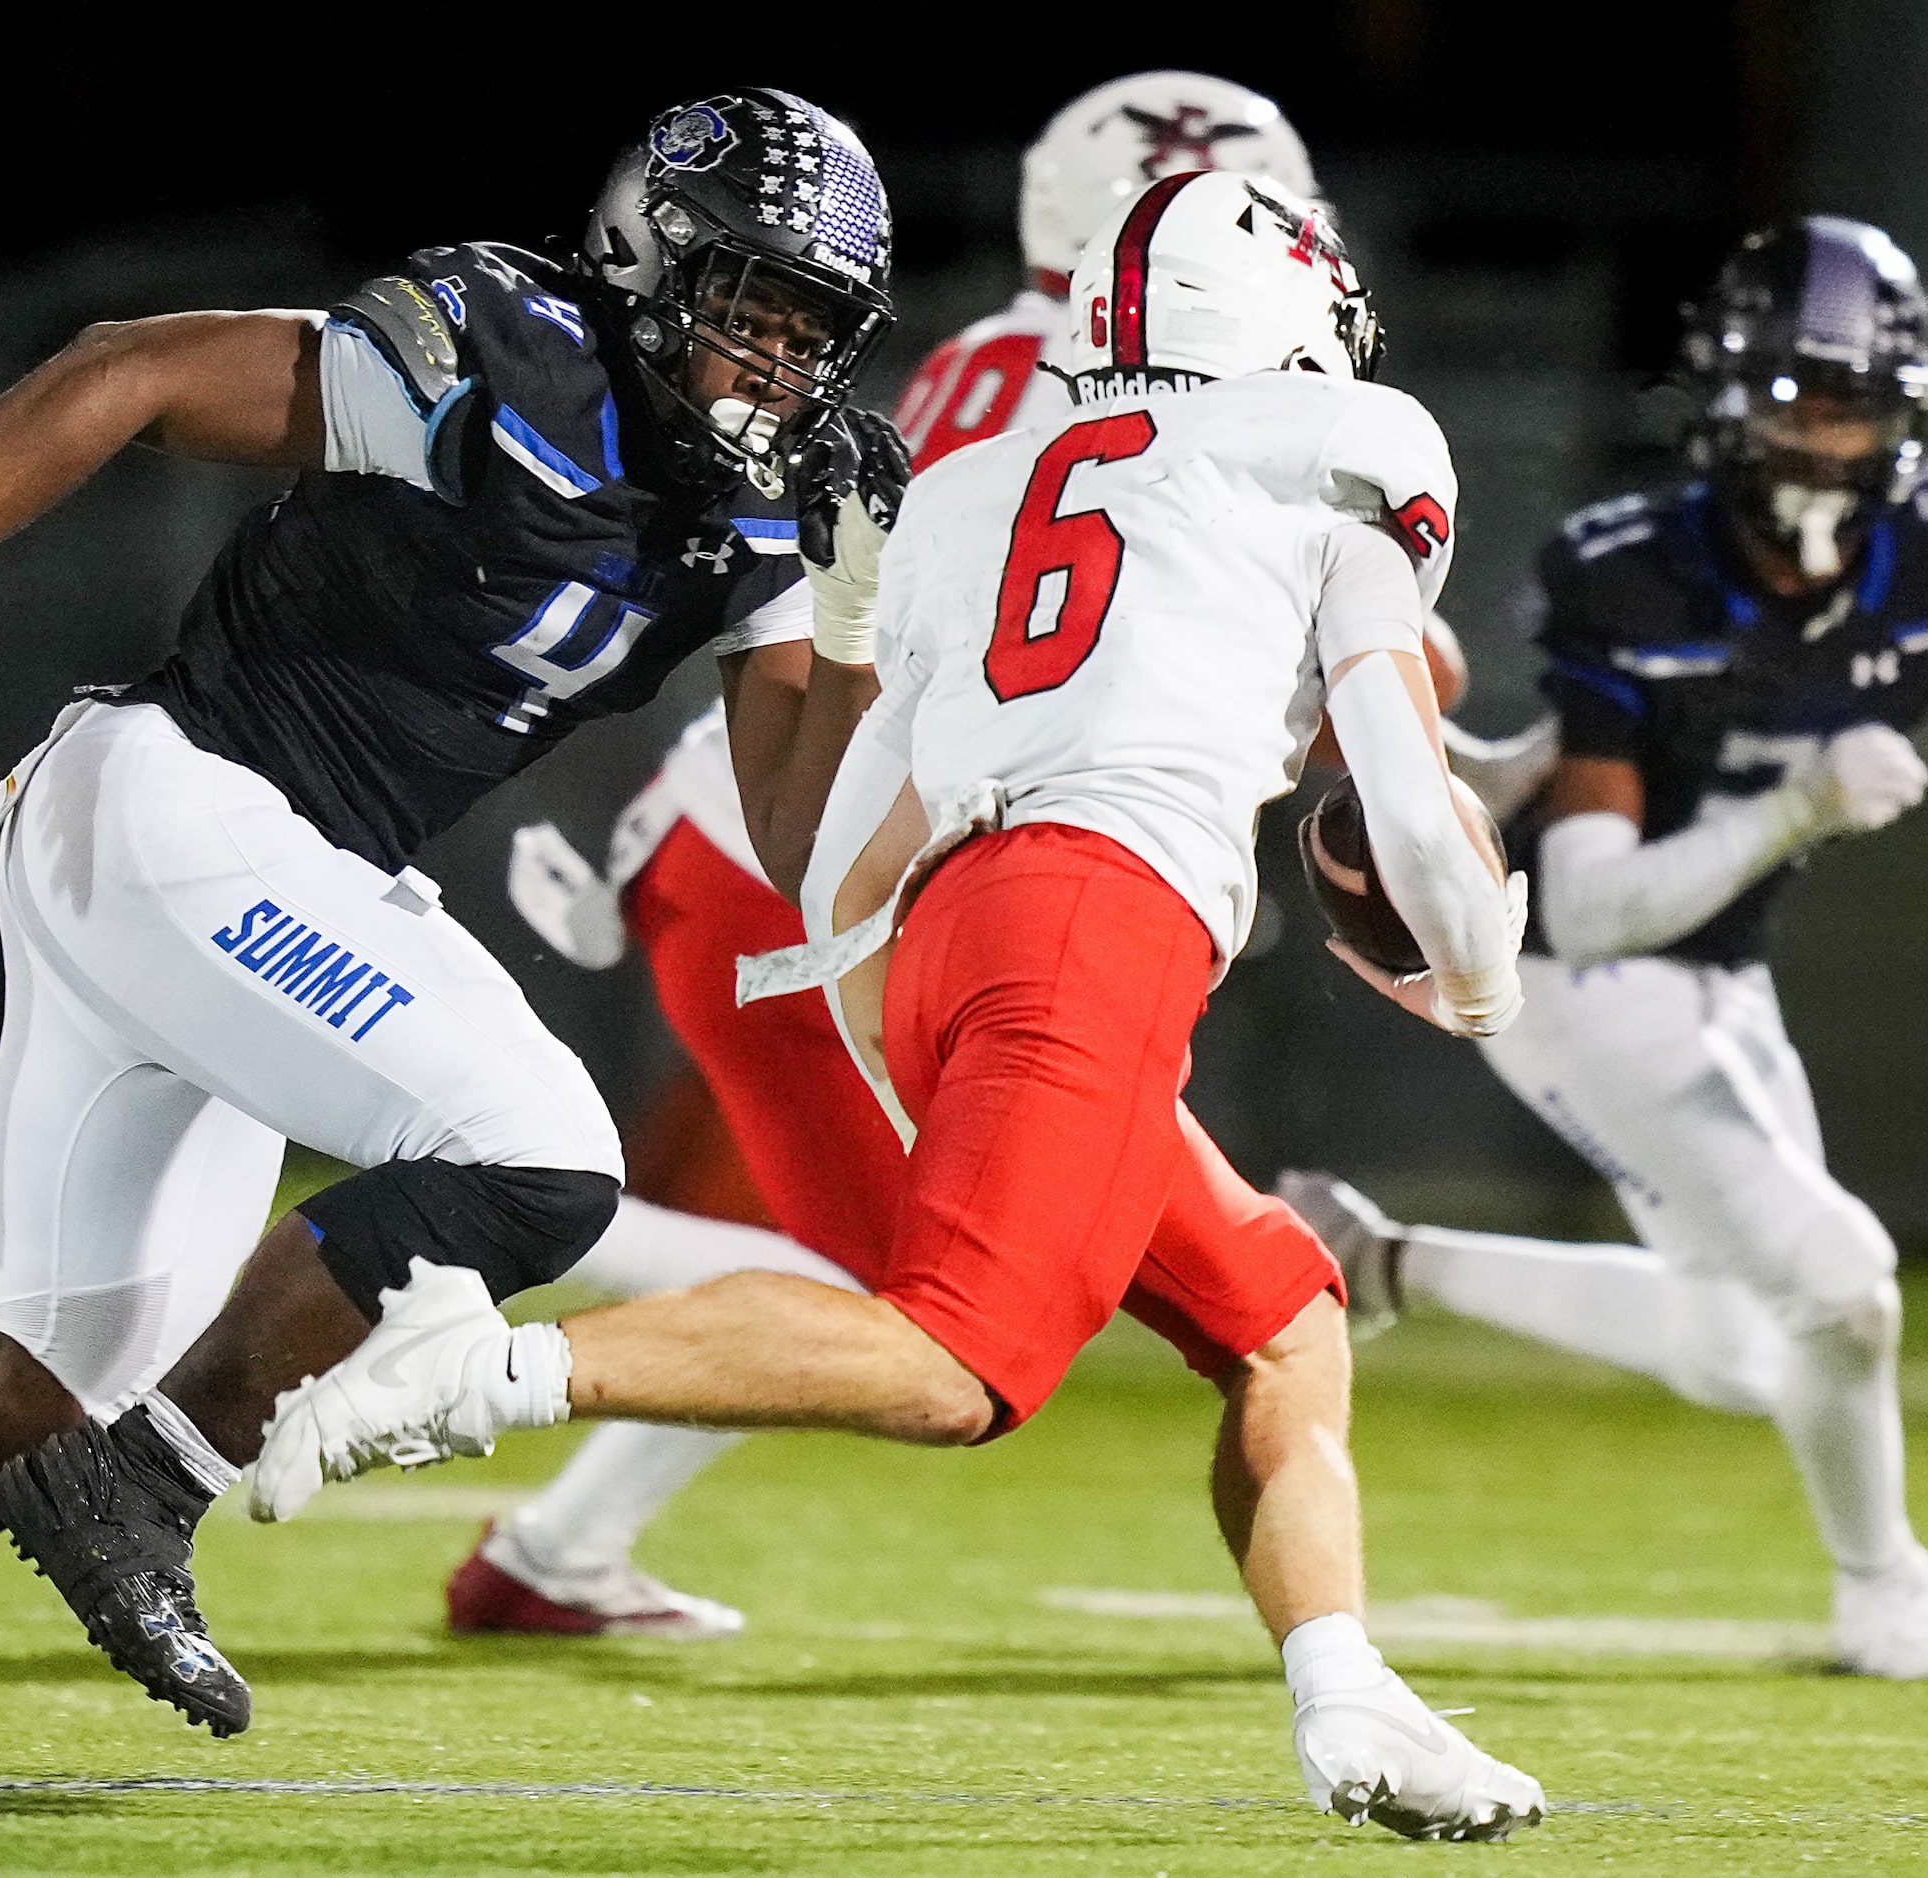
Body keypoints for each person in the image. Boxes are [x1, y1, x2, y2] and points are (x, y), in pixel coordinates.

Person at [0, 89, 909, 1760]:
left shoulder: (787, 498)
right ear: (651, 266)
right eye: (747, 312)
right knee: (542, 1154)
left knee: (34, 1387)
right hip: (184, 806)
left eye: (813, 333)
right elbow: (130, 367)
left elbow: (799, 827)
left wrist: (851, 622)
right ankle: (147, 1490)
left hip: (247, 868)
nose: (776, 369)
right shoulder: (508, 357)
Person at [253, 170, 1547, 1843]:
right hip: (1096, 918)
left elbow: (860, 845)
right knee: (963, 1366)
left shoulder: (976, 479)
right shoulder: (1347, 440)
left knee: (1280, 1315)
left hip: (954, 931)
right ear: (1292, 314)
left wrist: (896, 1042)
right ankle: (481, 1366)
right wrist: (1482, 979)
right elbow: (1402, 776)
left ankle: (1347, 1692)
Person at [457, 69, 1362, 1641]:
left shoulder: (1009, 365)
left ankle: (540, 1527)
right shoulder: (1135, 393)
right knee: (935, 1310)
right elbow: (970, 640)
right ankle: (450, 1246)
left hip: (822, 832)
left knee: (890, 1273)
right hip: (859, 854)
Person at [1285, 217, 1928, 1682]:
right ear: (1726, 406)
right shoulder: (1630, 570)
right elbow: (1602, 900)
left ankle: (1380, 1260)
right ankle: (1891, 1594)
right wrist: (1799, 803)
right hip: (1570, 964)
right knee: (1846, 1280)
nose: (1826, 436)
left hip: (1718, 968)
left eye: (1856, 402)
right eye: (1796, 399)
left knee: (1773, 1344)